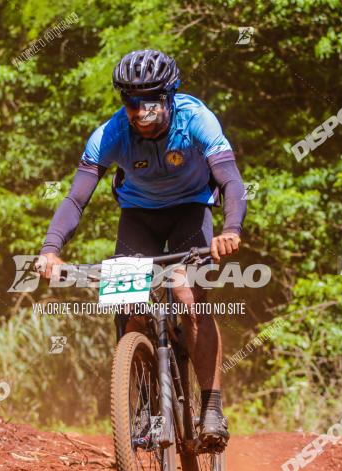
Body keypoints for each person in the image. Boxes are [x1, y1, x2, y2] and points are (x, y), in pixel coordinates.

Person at [36, 49, 248, 450]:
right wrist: (50, 249)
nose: (140, 111)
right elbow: (76, 199)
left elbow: (231, 182)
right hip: (138, 215)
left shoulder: (197, 119)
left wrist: (230, 229)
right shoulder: (110, 134)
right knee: (128, 303)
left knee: (190, 296)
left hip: (191, 210)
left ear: (169, 96)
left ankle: (212, 407)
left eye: (150, 100)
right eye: (131, 102)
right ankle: (148, 410)